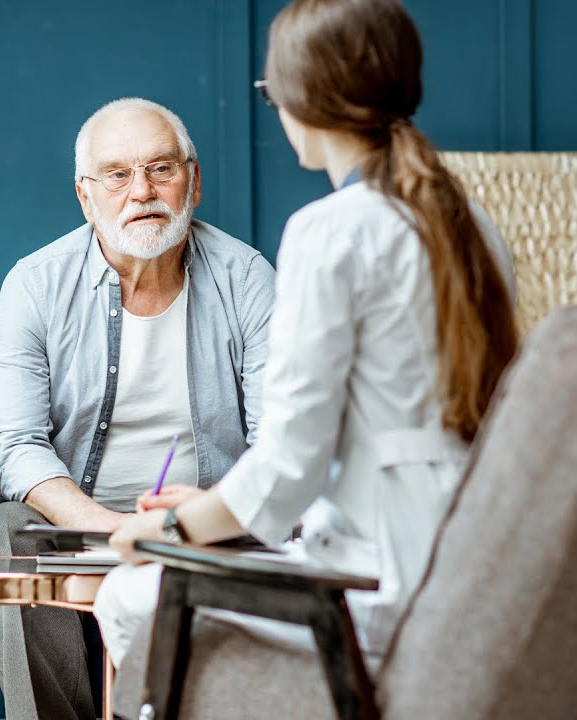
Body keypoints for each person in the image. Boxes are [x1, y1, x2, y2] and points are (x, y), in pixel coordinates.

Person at [97, 0, 520, 679]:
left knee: (126, 594)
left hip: (375, 576)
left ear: (302, 100)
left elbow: (291, 463)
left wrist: (168, 530)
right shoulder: (470, 221)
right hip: (476, 562)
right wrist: (216, 507)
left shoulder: (331, 231)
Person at [0, 97, 276, 720]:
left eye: (161, 169)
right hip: (73, 526)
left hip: (206, 529)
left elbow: (277, 440)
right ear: (86, 197)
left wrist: (189, 525)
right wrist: (108, 532)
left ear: (192, 181)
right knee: (2, 532)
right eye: (117, 175)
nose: (142, 191)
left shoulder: (246, 277)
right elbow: (12, 443)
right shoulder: (35, 283)